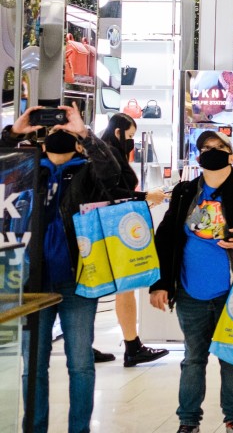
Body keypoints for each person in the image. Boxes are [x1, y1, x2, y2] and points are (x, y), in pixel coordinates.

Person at [150, 130, 233, 433]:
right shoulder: (186, 191)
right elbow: (167, 237)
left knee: (232, 357)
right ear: (198, 156)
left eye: (219, 147)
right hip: (190, 291)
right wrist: (160, 283)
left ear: (231, 155)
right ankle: (188, 421)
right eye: (206, 148)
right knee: (193, 358)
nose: (212, 152)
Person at [4, 105, 123, 433]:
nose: (59, 132)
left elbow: (118, 180)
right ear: (41, 140)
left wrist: (85, 133)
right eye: (53, 129)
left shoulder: (89, 171)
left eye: (65, 130)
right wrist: (15, 133)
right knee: (33, 366)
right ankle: (35, 427)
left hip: (79, 280)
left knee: (81, 363)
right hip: (32, 281)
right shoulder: (24, 169)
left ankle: (79, 429)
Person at [99, 112, 171, 367]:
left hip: (111, 225)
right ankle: (132, 346)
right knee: (125, 287)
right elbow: (115, 192)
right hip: (113, 226)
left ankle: (128, 344)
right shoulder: (109, 154)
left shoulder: (106, 151)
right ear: (118, 132)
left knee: (121, 288)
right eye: (129, 136)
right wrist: (145, 197)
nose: (131, 142)